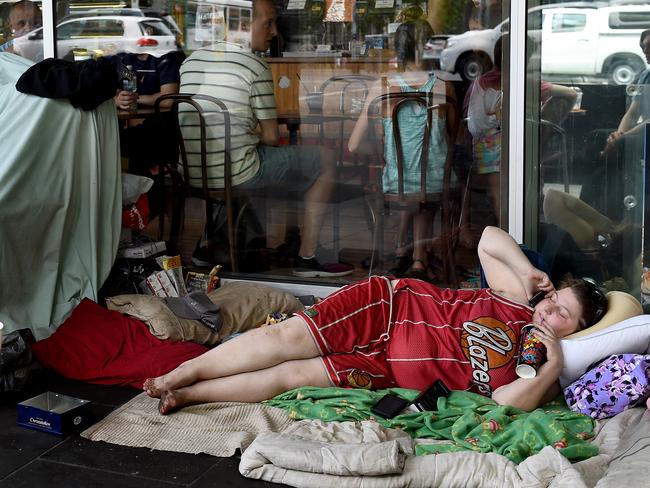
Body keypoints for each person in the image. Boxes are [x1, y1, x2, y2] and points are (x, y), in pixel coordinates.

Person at [143, 226, 607, 415]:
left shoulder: (541, 365)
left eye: (562, 313)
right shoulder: (516, 301)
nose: (548, 310)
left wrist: (550, 363)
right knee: (286, 336)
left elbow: (510, 403)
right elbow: (488, 238)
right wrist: (527, 271)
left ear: (577, 329)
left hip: (389, 372)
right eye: (555, 299)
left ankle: (186, 394)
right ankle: (178, 373)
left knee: (292, 376)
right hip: (390, 308)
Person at [178, 0, 352, 278]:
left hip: (192, 171)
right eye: (268, 23)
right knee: (324, 159)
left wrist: (238, 134)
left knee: (237, 160)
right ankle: (307, 257)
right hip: (238, 172)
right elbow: (271, 137)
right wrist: (246, 134)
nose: (273, 32)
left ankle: (207, 246)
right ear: (244, 25)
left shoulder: (191, 61)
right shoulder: (253, 65)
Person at [348, 14, 455, 280]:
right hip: (434, 182)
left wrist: (386, 149)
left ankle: (404, 253)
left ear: (398, 50)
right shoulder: (443, 86)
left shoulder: (383, 86)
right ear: (431, 48)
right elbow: (456, 139)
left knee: (411, 184)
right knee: (427, 182)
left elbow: (353, 145)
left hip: (395, 182)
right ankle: (419, 260)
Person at [603, 29, 650, 155]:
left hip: (645, 133)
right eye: (644, 46)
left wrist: (622, 138)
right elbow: (632, 114)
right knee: (597, 136)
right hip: (642, 133)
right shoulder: (646, 76)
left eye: (649, 46)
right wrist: (618, 135)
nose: (645, 51)